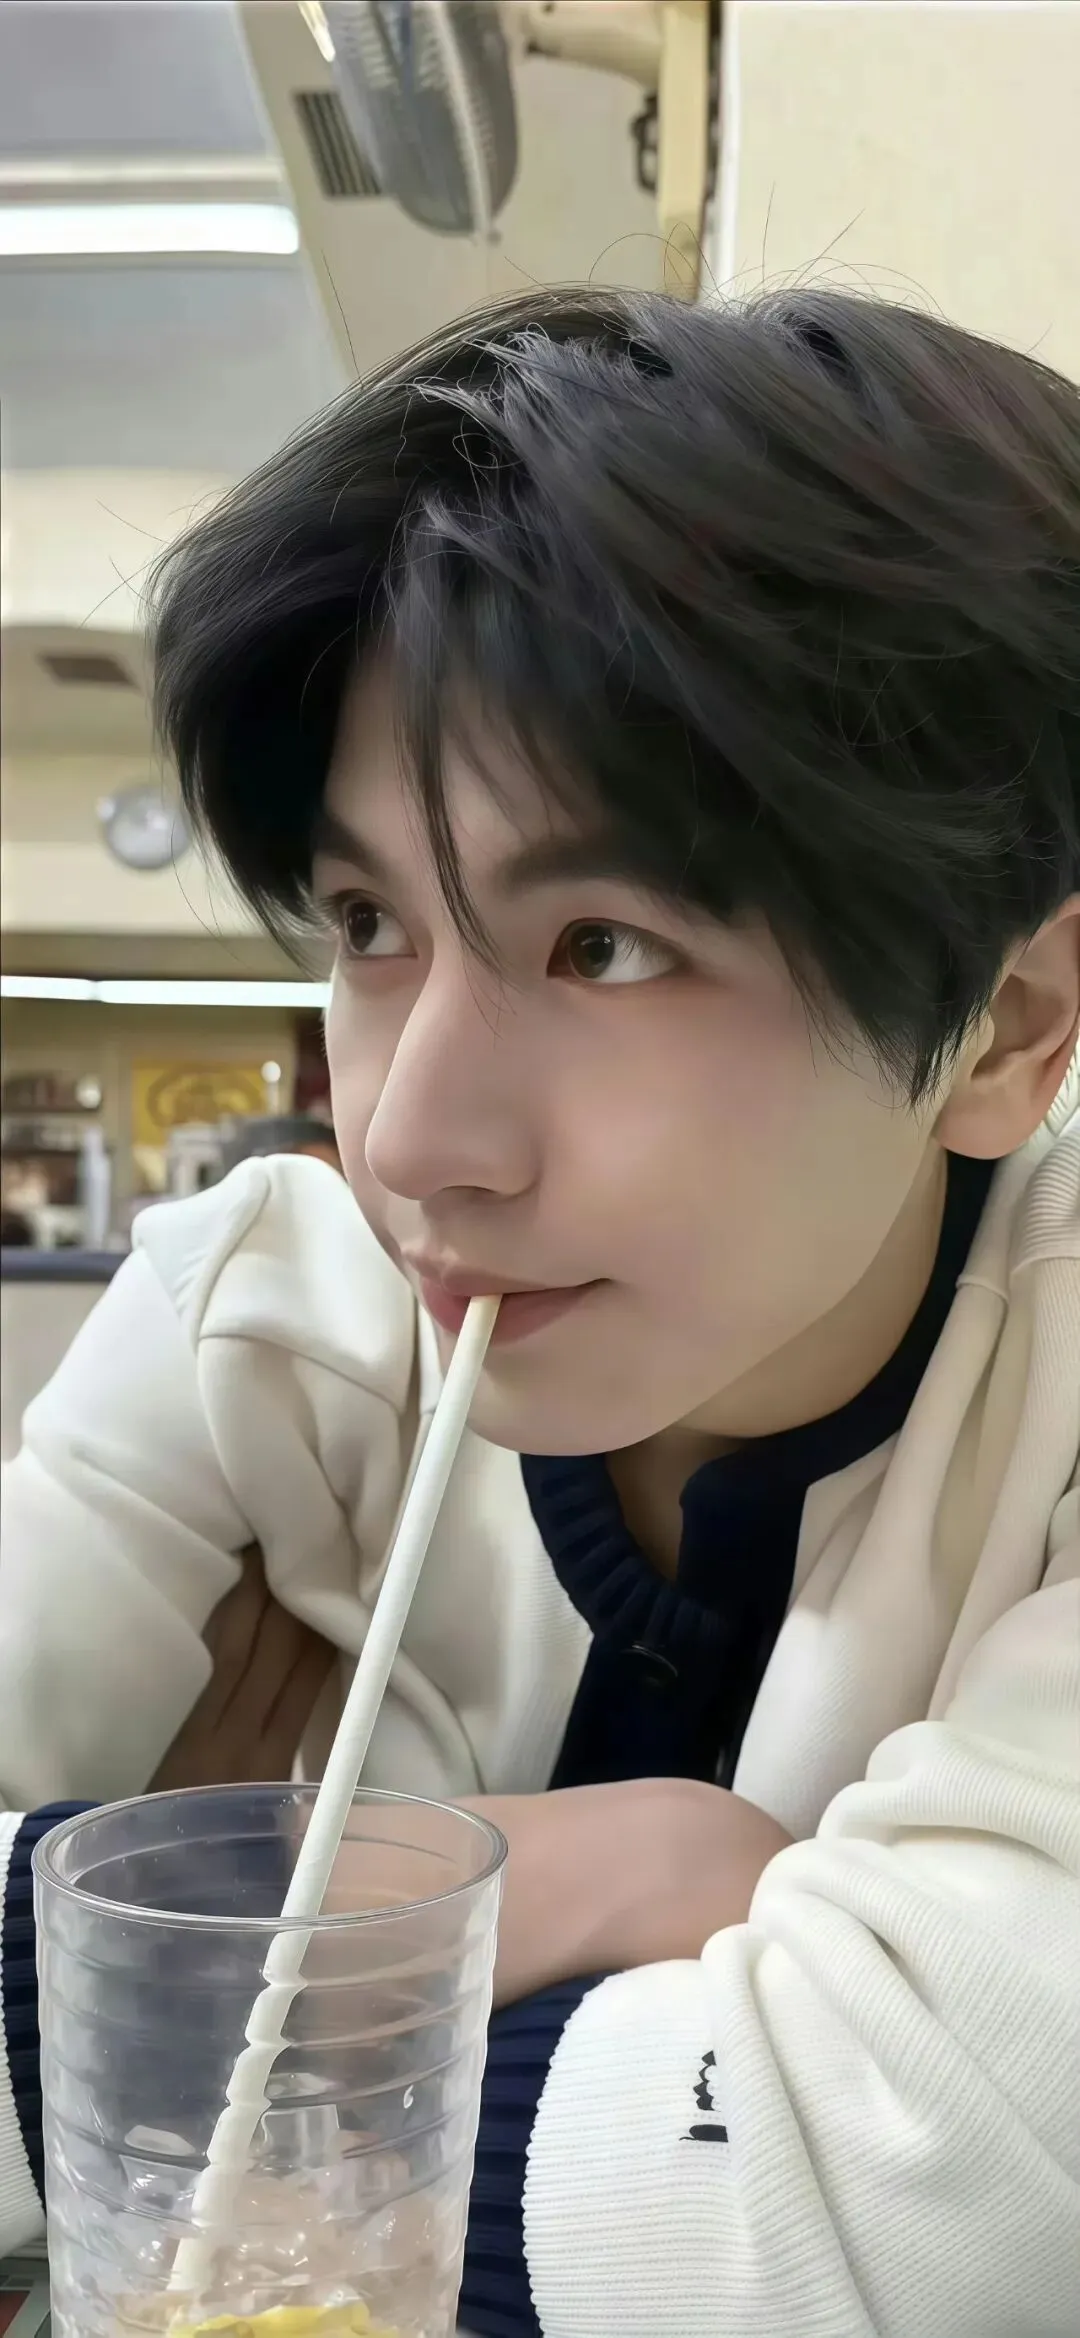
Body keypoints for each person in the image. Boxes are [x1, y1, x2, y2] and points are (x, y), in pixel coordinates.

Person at [1, 286, 1078, 2337]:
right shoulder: (263, 1328)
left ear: (1007, 1024)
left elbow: (890, 2211)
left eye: (605, 943)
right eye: (370, 922)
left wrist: (155, 1923)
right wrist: (633, 1867)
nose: (408, 1136)